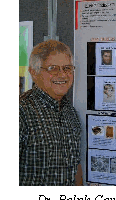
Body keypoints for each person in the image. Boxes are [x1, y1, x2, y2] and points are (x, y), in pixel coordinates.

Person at [19, 40, 83, 186]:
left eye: (67, 68)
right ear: (33, 72)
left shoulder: (70, 112)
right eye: (52, 68)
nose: (63, 75)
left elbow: (74, 167)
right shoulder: (21, 112)